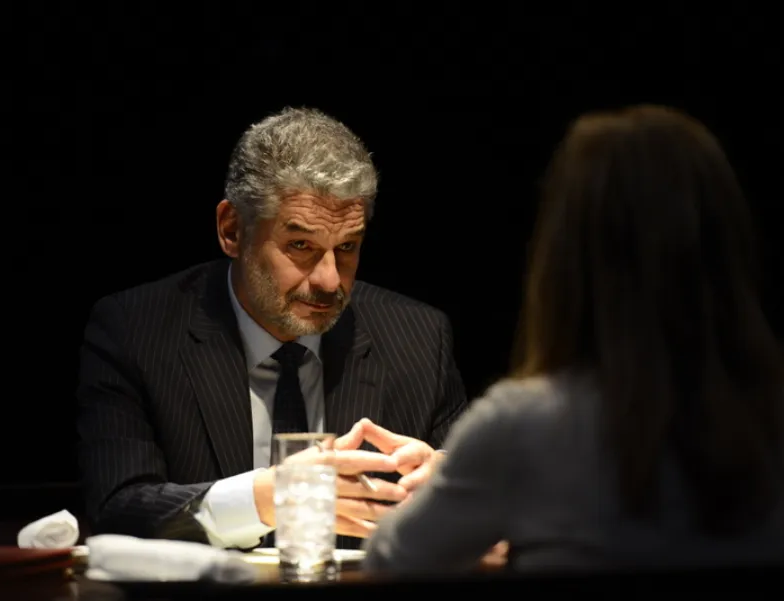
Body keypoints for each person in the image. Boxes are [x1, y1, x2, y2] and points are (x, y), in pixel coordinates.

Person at [363, 104, 784, 573]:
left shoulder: (520, 425)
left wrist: (463, 479)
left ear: (567, 252)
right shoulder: (768, 414)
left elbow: (390, 561)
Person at [75, 107, 468, 551]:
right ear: (232, 230)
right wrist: (267, 498)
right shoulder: (135, 331)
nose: (329, 281)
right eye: (300, 245)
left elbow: (493, 511)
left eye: (347, 247)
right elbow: (119, 509)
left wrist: (458, 486)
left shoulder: (419, 338)